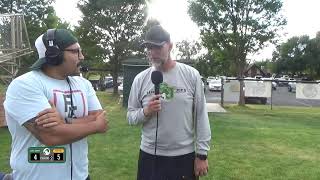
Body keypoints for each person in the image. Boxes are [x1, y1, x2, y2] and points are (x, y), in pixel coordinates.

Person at [4, 29, 108, 180]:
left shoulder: (83, 84)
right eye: (75, 52)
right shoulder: (25, 85)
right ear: (54, 54)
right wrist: (95, 126)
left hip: (81, 176)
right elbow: (50, 136)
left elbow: (99, 116)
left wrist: (64, 121)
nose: (82, 56)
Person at [127, 25, 211, 180]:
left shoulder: (191, 75)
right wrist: (146, 112)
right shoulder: (140, 79)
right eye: (149, 47)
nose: (152, 53)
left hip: (183, 156)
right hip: (149, 156)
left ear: (170, 46)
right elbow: (131, 117)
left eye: (157, 47)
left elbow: (201, 116)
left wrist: (202, 154)